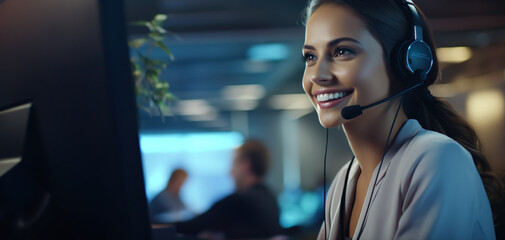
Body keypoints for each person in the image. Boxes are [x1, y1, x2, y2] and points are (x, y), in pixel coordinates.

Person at [301, 0, 503, 239]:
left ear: (407, 62)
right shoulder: (344, 181)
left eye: (342, 51)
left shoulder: (437, 160)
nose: (317, 75)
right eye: (310, 56)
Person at [174, 139, 282, 239]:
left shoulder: (239, 201)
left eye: (234, 163)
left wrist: (161, 227)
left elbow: (191, 226)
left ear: (246, 164)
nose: (230, 172)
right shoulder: (270, 198)